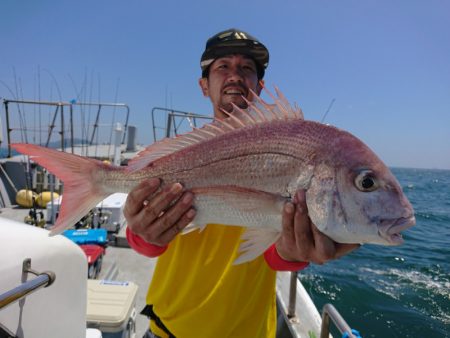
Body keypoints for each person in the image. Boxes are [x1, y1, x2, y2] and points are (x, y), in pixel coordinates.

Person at [124, 28, 358, 338]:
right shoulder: (176, 156)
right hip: (168, 329)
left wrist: (293, 252)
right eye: (223, 66)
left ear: (259, 87)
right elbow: (145, 244)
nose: (235, 75)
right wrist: (143, 233)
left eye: (246, 68)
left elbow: (273, 256)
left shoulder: (294, 153)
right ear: (204, 85)